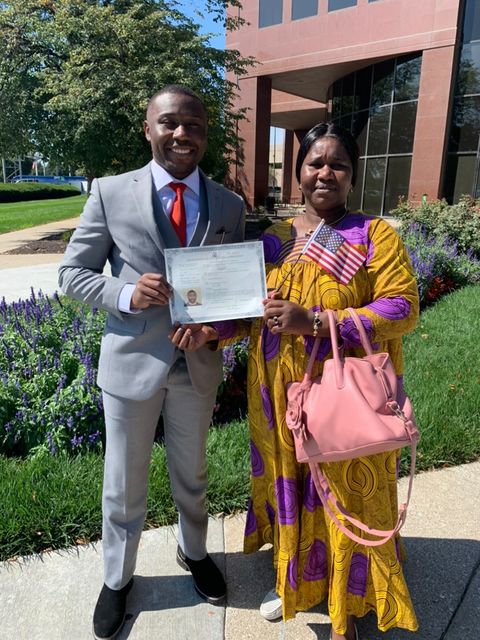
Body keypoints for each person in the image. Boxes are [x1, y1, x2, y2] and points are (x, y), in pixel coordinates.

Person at [173, 122, 419, 639]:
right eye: (315, 163)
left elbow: (402, 307)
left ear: (352, 176)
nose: (326, 173)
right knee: (293, 485)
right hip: (277, 395)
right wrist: (208, 329)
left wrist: (318, 321)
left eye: (339, 165)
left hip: (343, 393)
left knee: (346, 490)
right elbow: (248, 311)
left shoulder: (374, 235)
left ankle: (347, 600)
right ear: (299, 172)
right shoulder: (273, 241)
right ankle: (296, 582)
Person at [58, 84, 245, 640]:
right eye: (169, 123)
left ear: (205, 134)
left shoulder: (230, 204)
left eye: (193, 124)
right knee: (122, 481)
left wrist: (216, 327)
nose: (182, 134)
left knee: (193, 474)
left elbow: (234, 292)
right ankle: (117, 579)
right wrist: (123, 293)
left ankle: (194, 553)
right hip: (131, 363)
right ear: (148, 129)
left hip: (198, 368)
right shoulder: (111, 192)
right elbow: (72, 273)